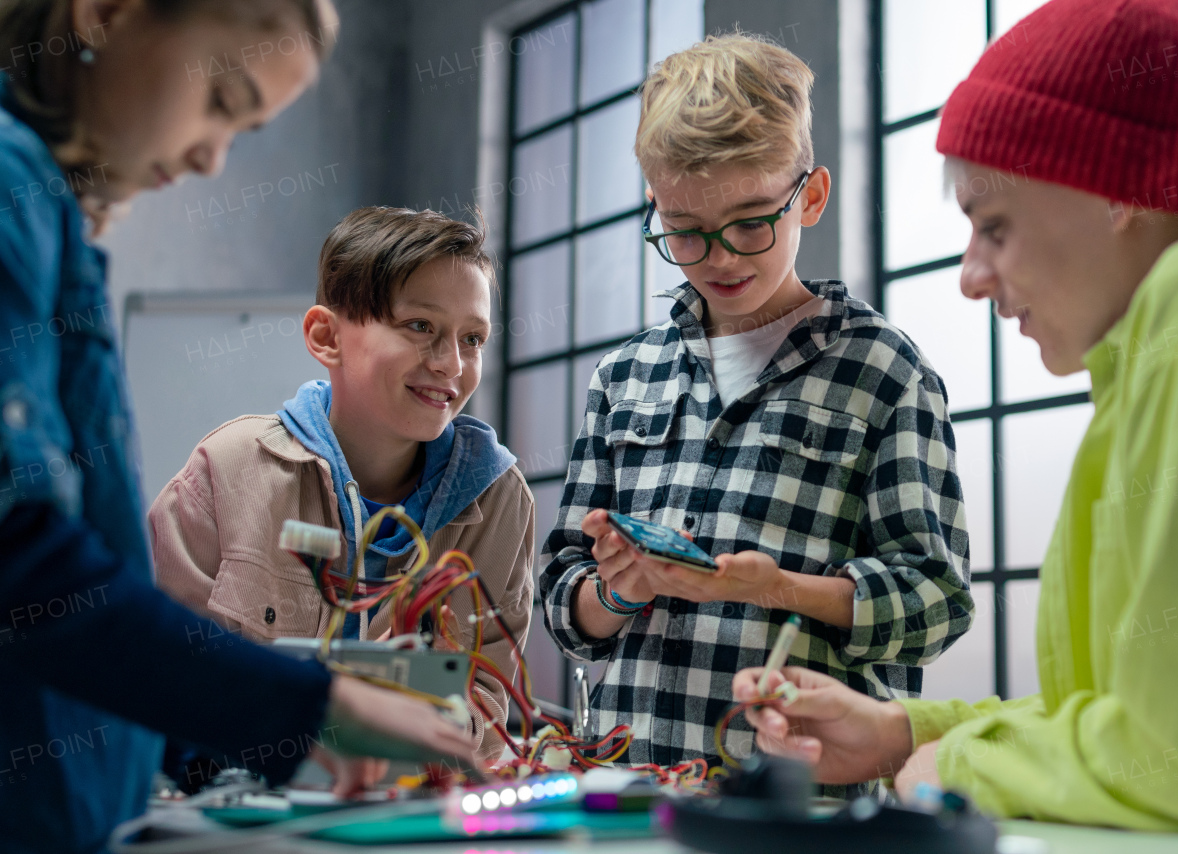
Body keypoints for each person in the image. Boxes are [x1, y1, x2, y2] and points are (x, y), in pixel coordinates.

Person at [733, 0, 1178, 834]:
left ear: (1119, 186)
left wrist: (954, 762)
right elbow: (1124, 715)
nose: (970, 278)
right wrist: (901, 733)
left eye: (993, 226)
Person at [0, 2, 478, 851]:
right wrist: (310, 708)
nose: (209, 159)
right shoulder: (10, 187)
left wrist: (263, 742)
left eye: (244, 130)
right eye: (221, 97)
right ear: (108, 12)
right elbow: (26, 572)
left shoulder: (47, 209)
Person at [540, 33, 974, 777]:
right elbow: (564, 603)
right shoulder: (624, 377)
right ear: (656, 206)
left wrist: (774, 587)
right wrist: (619, 588)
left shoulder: (885, 373)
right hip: (633, 795)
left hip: (805, 804)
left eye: (750, 222)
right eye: (683, 231)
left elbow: (934, 601)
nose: (721, 258)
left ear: (811, 195)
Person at [149, 206, 536, 764]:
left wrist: (425, 715)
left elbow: (489, 699)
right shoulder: (227, 469)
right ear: (326, 336)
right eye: (420, 326)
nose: (452, 364)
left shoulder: (499, 500)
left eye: (472, 338)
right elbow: (159, 670)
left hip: (404, 817)